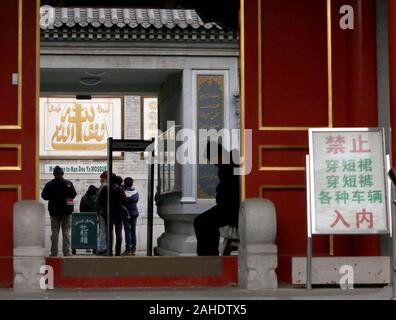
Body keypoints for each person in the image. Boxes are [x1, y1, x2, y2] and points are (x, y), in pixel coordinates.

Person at [193, 142, 240, 256]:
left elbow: (230, 193)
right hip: (228, 208)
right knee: (201, 221)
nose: (214, 164)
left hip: (233, 210)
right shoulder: (229, 165)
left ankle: (209, 256)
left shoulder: (229, 167)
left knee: (205, 222)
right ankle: (208, 255)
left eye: (212, 160)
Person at [41, 166, 77, 257]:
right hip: (66, 212)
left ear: (54, 174)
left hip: (54, 212)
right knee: (66, 232)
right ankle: (67, 252)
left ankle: (54, 252)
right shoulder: (68, 183)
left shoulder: (49, 184)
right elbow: (73, 195)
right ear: (62, 173)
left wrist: (53, 197)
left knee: (55, 233)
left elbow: (44, 196)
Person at [97, 173, 126, 256]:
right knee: (118, 234)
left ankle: (109, 251)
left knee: (109, 233)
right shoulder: (120, 189)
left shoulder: (105, 189)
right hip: (118, 214)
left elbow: (99, 202)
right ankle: (118, 252)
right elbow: (124, 200)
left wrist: (103, 209)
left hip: (108, 214)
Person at [122, 177, 139, 256]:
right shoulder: (136, 193)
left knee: (127, 232)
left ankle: (128, 250)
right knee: (133, 232)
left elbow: (122, 203)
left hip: (126, 214)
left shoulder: (123, 193)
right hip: (134, 214)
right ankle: (133, 250)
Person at [96, 171, 108, 255]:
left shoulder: (103, 187)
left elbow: (98, 200)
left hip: (102, 211)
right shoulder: (105, 186)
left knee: (102, 230)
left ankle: (102, 248)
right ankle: (103, 248)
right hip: (104, 211)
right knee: (104, 230)